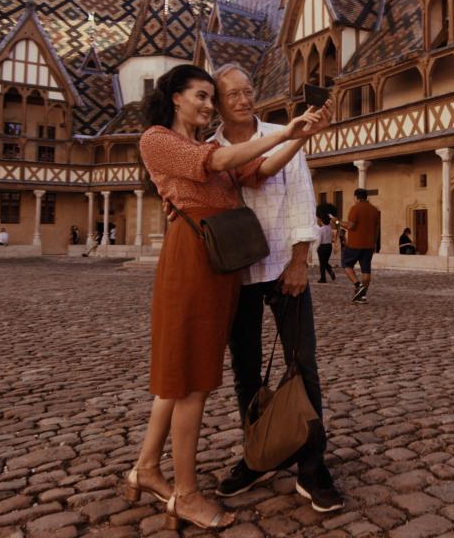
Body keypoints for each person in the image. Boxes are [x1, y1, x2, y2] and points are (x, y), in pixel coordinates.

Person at [128, 64, 330, 531]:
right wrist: (285, 134)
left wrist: (298, 135)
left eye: (207, 97)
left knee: (182, 376)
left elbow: (259, 171)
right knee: (191, 380)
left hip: (220, 266)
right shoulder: (159, 140)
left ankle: (147, 469)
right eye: (200, 96)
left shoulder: (208, 145)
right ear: (175, 97)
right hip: (192, 260)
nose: (206, 104)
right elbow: (218, 165)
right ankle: (186, 493)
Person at [208, 63, 344, 513]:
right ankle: (257, 454)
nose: (244, 100)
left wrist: (302, 259)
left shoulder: (285, 133)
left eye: (248, 91)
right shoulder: (210, 149)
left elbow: (302, 193)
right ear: (218, 101)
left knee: (302, 365)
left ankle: (312, 464)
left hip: (285, 265)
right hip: (237, 274)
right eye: (234, 95)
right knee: (247, 372)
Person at [334, 188, 380, 303]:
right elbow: (377, 229)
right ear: (366, 197)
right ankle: (362, 296)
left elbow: (350, 226)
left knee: (346, 264)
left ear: (356, 197)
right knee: (366, 269)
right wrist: (375, 242)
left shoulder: (355, 208)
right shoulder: (374, 210)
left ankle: (358, 285)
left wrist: (337, 222)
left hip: (355, 244)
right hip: (369, 245)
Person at [316, 216, 335, 283]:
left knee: (322, 264)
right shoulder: (330, 228)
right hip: (329, 246)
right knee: (325, 262)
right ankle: (330, 271)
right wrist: (330, 216)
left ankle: (323, 278)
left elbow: (320, 240)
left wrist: (317, 247)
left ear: (322, 221)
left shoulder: (321, 229)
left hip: (322, 246)